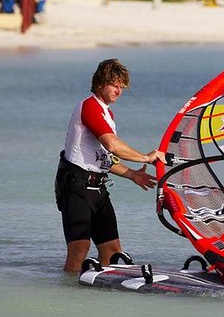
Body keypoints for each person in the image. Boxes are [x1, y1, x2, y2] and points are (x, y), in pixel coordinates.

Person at [54, 58, 166, 272]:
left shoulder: (108, 114)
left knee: (112, 250)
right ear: (100, 83)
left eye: (121, 87)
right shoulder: (89, 106)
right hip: (75, 186)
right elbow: (112, 145)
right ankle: (67, 295)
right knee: (79, 248)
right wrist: (146, 157)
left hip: (97, 188)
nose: (119, 91)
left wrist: (133, 174)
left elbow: (104, 158)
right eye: (115, 85)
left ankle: (102, 295)